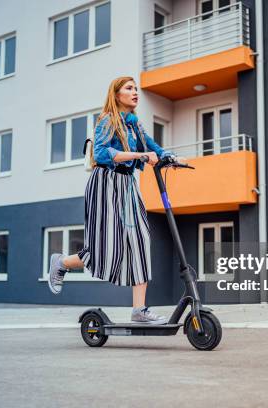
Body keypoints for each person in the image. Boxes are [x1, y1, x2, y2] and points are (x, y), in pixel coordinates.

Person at [46, 76, 185, 325]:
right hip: (105, 183)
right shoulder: (108, 120)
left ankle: (139, 310)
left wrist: (168, 157)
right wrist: (140, 154)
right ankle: (61, 262)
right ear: (117, 94)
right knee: (104, 246)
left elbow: (151, 145)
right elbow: (100, 152)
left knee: (141, 238)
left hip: (128, 186)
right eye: (129, 88)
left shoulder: (134, 125)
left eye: (136, 89)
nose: (135, 92)